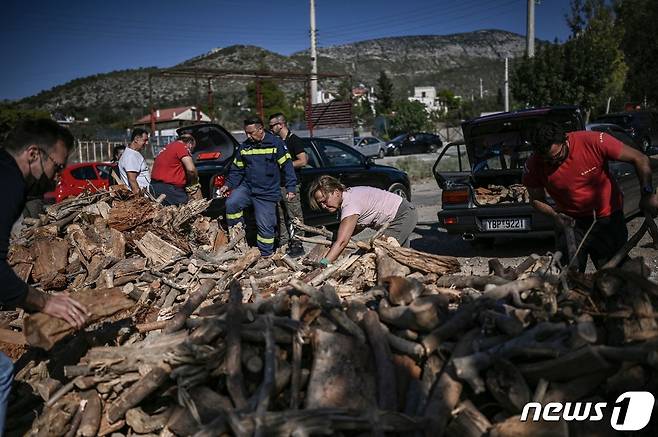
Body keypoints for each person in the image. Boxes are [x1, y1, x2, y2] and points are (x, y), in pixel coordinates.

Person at [0, 119, 89, 430]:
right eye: (57, 166)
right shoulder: (7, 181)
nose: (55, 178)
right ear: (34, 154)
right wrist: (44, 302)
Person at [523, 122, 658, 271]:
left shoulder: (594, 142)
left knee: (612, 272)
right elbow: (536, 200)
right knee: (568, 274)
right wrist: (555, 216)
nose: (554, 162)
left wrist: (647, 193)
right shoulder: (534, 164)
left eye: (557, 156)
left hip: (607, 219)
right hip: (570, 223)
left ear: (565, 140)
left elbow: (640, 158)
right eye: (548, 160)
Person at [219, 117, 297, 257]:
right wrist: (228, 185)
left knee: (266, 226)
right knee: (232, 203)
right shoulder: (244, 147)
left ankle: (265, 254)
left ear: (260, 129)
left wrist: (291, 188)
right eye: (246, 133)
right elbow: (237, 170)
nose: (248, 136)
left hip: (266, 193)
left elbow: (287, 167)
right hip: (247, 188)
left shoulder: (275, 144)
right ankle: (237, 239)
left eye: (251, 133)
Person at [309, 175, 417, 266]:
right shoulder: (349, 197)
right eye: (320, 204)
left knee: (381, 254)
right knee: (403, 259)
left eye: (324, 201)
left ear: (336, 192)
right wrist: (336, 238)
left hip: (401, 216)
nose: (323, 206)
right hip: (401, 215)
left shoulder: (350, 205)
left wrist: (324, 263)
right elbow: (356, 227)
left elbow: (342, 242)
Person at [268, 112, 308, 257]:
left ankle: (298, 243)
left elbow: (303, 160)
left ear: (281, 124)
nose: (270, 128)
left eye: (272, 125)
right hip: (278, 185)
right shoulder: (276, 141)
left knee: (295, 216)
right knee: (281, 216)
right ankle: (284, 244)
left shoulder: (294, 140)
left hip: (291, 184)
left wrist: (285, 165)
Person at [149, 134, 201, 206]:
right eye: (192, 149)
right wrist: (194, 183)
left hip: (154, 187)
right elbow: (191, 169)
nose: (191, 152)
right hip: (169, 189)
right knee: (187, 211)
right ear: (190, 144)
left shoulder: (167, 147)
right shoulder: (181, 146)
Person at [118, 128, 151, 194]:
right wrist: (139, 199)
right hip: (142, 197)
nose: (146, 143)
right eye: (145, 140)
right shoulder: (131, 155)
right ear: (136, 139)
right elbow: (132, 180)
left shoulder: (133, 154)